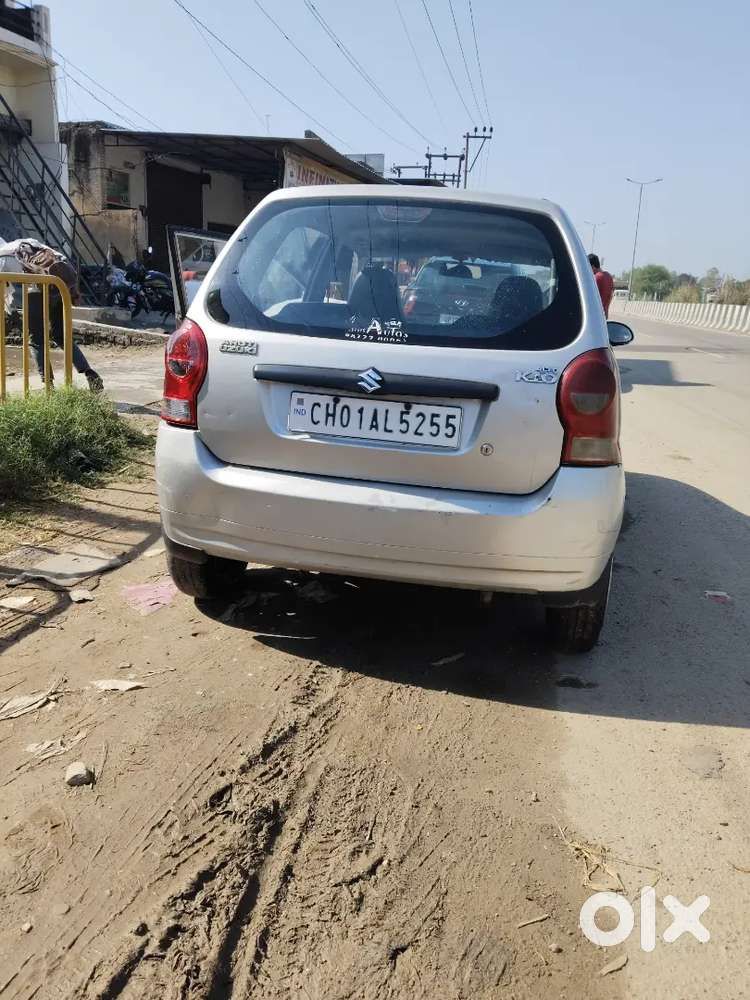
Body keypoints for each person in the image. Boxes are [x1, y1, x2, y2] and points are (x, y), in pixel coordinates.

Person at [0, 238, 103, 391]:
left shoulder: (2, 257)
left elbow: (5, 288)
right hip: (59, 286)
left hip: (36, 291)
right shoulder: (28, 243)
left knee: (36, 340)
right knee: (61, 335)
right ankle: (90, 373)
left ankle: (48, 385)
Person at [588, 253, 614, 317]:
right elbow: (610, 296)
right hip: (603, 315)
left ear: (592, 267)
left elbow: (590, 297)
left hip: (595, 314)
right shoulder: (609, 276)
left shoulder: (597, 277)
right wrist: (606, 310)